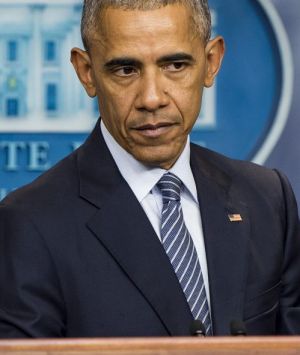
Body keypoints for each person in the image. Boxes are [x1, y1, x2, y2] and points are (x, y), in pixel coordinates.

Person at [0, 0, 300, 338]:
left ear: (211, 62)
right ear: (87, 72)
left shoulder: (267, 199)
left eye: (175, 65)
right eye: (126, 70)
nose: (152, 97)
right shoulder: (29, 223)